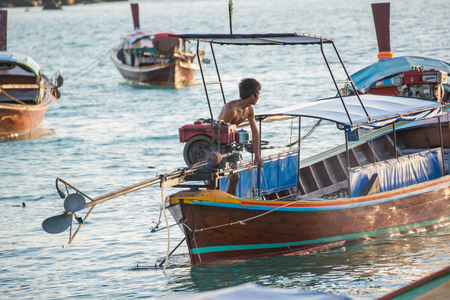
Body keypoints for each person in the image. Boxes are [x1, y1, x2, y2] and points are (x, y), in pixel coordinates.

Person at [217, 78, 264, 195]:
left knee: (235, 178)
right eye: (258, 94)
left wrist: (257, 156)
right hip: (217, 142)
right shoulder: (231, 109)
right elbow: (220, 133)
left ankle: (229, 203)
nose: (259, 96)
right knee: (214, 178)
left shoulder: (249, 109)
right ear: (253, 96)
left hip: (229, 143)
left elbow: (254, 132)